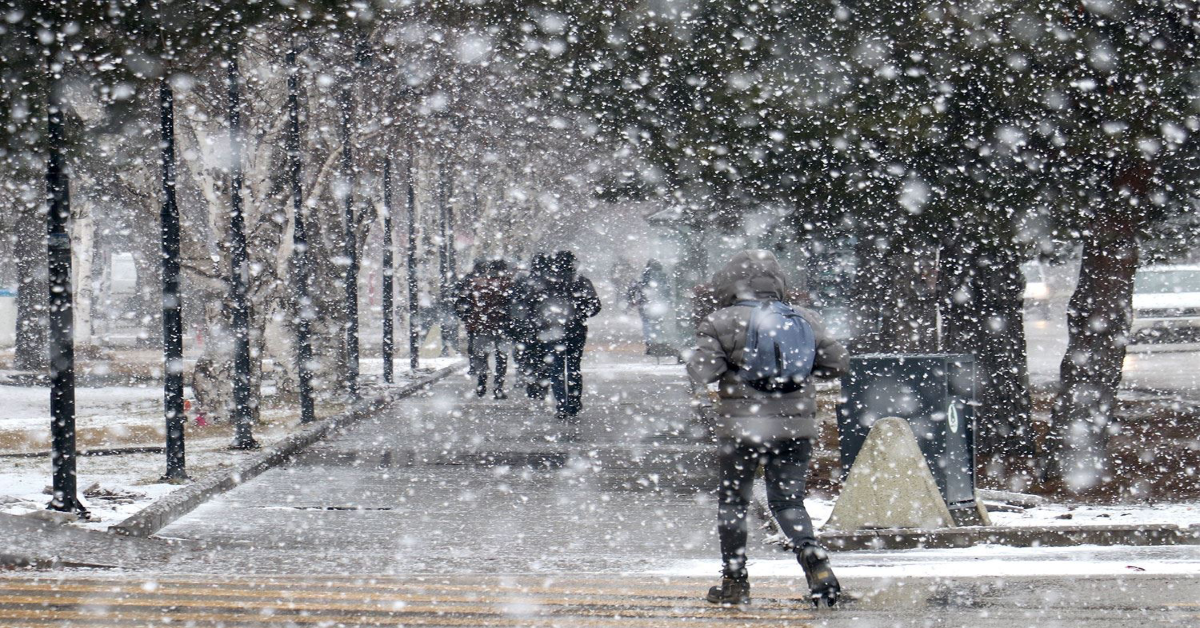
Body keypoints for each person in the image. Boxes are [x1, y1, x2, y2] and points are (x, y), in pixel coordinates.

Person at [686, 249, 848, 608]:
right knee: (788, 500)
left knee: (733, 503)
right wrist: (796, 378)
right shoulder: (805, 319)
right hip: (797, 428)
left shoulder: (720, 321)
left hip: (742, 430)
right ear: (778, 283)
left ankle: (735, 582)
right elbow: (837, 364)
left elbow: (701, 372)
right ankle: (814, 560)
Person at [534, 250, 601, 421]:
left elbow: (534, 306)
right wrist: (580, 314)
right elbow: (595, 305)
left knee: (556, 368)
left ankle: (561, 404)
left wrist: (544, 320)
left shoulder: (546, 283)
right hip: (576, 330)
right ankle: (573, 401)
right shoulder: (581, 282)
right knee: (573, 367)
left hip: (553, 331)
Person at [455, 260, 515, 399]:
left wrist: (468, 317)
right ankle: (498, 387)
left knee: (481, 357)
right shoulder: (508, 285)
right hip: (501, 326)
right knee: (501, 358)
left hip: (481, 325)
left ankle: (481, 384)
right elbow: (513, 306)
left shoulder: (476, 284)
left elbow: (462, 302)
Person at [511, 253, 552, 399]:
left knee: (528, 355)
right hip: (545, 327)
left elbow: (514, 302)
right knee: (544, 356)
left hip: (526, 326)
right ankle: (542, 384)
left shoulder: (524, 281)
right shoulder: (550, 282)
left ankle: (531, 383)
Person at [627, 259, 672, 355]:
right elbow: (667, 290)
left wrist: (632, 300)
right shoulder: (663, 276)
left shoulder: (643, 276)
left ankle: (650, 343)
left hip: (645, 303)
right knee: (658, 322)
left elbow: (634, 288)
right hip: (659, 303)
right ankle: (659, 342)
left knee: (646, 322)